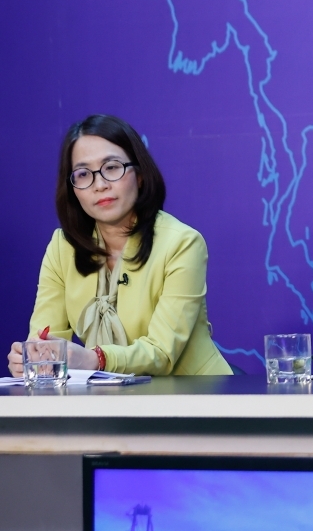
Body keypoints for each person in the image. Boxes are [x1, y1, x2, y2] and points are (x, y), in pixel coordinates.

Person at [6, 115, 232, 376]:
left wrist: (95, 359)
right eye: (83, 174)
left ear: (140, 175)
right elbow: (45, 337)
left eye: (112, 167)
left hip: (195, 393)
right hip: (110, 397)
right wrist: (35, 358)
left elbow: (161, 353)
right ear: (73, 189)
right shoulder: (62, 247)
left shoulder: (181, 243)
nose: (100, 185)